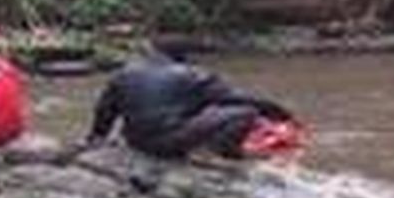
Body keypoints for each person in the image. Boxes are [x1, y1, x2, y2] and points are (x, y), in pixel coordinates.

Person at [84, 42, 302, 161]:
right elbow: (239, 99)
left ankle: (207, 148)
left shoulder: (124, 74)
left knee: (194, 113)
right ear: (182, 60)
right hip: (167, 143)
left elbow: (105, 111)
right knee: (246, 112)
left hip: (136, 141)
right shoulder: (193, 75)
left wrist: (96, 138)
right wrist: (282, 114)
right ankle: (226, 153)